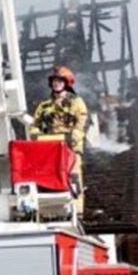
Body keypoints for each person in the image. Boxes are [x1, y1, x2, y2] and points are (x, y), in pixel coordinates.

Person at [28, 65, 89, 210]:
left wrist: (72, 137)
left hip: (70, 148)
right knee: (49, 178)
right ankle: (51, 210)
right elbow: (35, 124)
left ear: (66, 83)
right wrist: (36, 135)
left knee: (73, 178)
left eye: (60, 81)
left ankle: (78, 212)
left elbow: (83, 122)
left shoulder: (76, 102)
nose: (56, 83)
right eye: (55, 81)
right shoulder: (44, 106)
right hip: (50, 148)